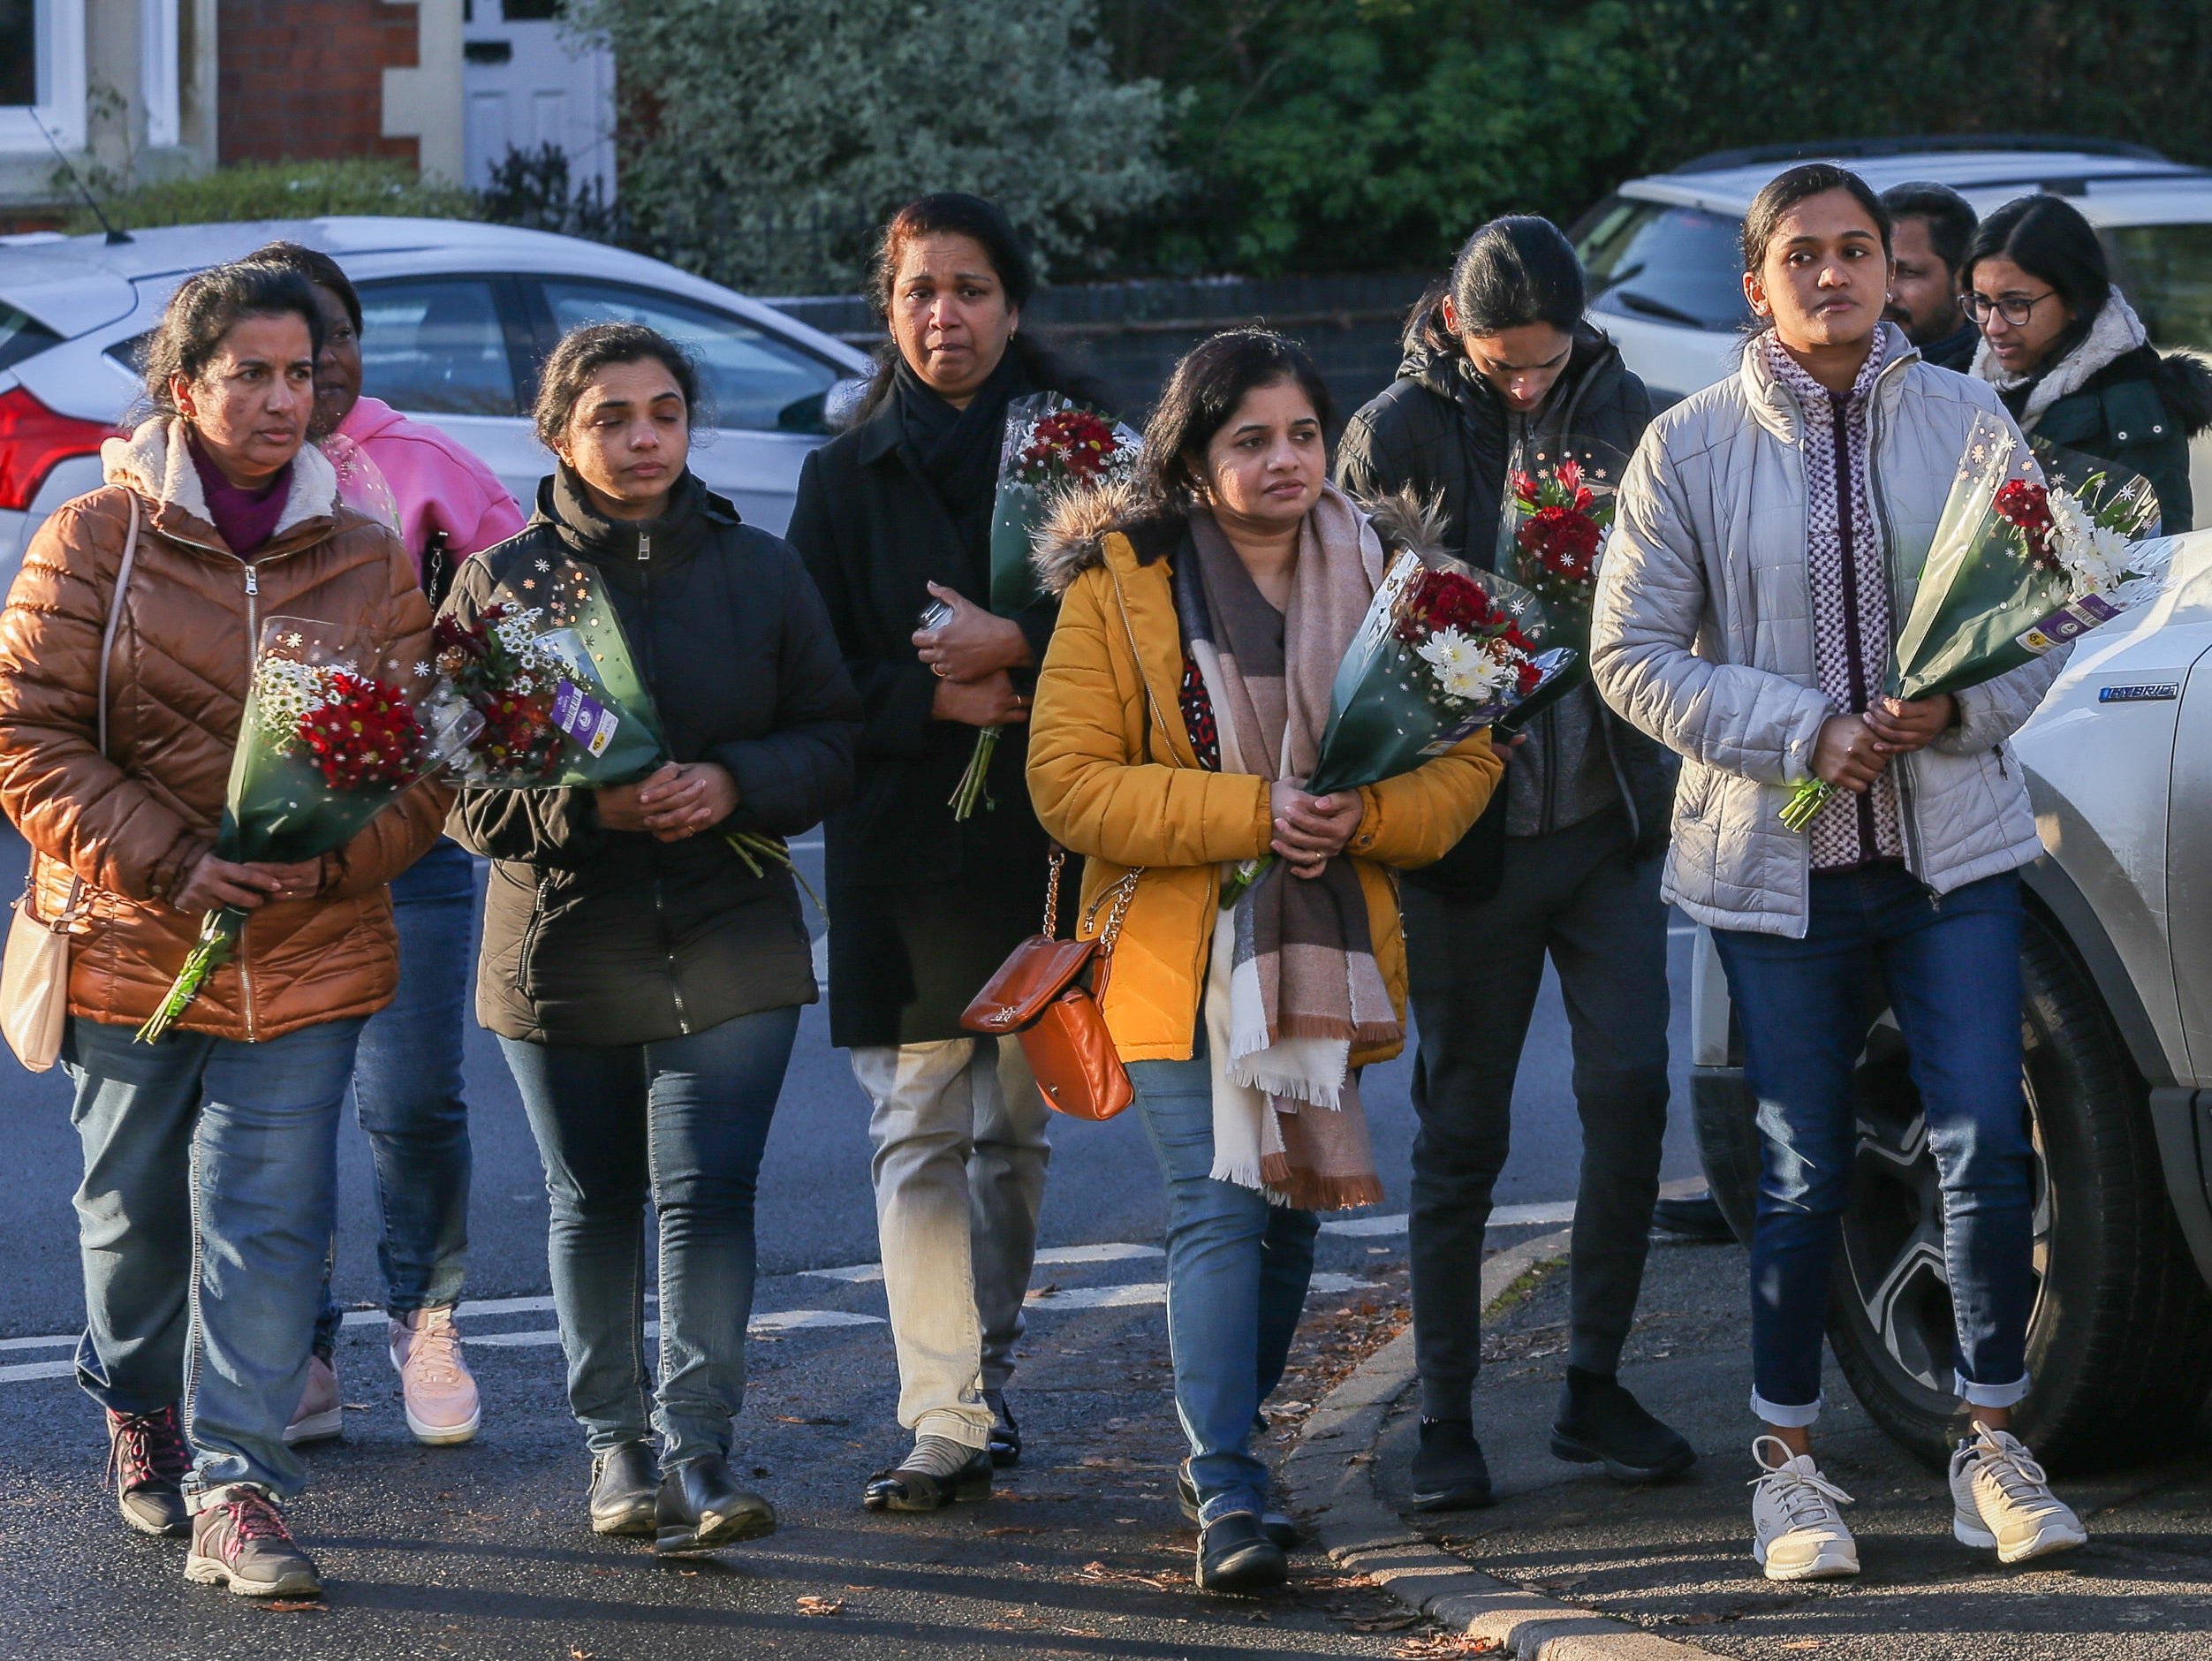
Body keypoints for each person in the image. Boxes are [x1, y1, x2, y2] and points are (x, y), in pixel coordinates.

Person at [1590, 163, 2087, 1582]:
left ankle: (1989, 1446)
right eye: (1801, 254)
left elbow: (2046, 613)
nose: (1832, 273)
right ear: (1756, 285)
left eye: (1856, 249)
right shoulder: (1686, 446)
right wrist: (1800, 728)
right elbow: (1629, 656)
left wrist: (1962, 703)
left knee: (1987, 1144)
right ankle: (1790, 1471)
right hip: (1778, 870)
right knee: (1803, 1171)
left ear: (1888, 269)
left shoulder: (1971, 417)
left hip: (1950, 858)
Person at [0, 262, 449, 1596]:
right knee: (132, 1221)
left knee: (268, 1219)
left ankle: (239, 1487)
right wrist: (175, 858)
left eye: (298, 373)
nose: (279, 398)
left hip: (306, 950)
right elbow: (25, 737)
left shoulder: (366, 554)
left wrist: (328, 861)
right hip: (129, 940)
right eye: (249, 372)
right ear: (184, 387)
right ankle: (138, 1398)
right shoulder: (95, 537)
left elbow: (424, 762)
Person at [1028, 329, 1501, 1593]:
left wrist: (1366, 816)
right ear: (1192, 459)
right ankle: (1230, 1481)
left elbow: (1466, 760)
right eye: (1250, 440)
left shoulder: (1392, 576)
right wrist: (1254, 812)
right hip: (1174, 953)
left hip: (1329, 943)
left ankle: (1225, 1446)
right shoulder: (1120, 582)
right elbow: (1066, 782)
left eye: (1302, 434)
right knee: (1220, 1202)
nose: (1285, 460)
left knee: (1290, 1219)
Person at [444, 322, 859, 1552]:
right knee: (595, 1199)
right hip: (564, 939)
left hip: (732, 935)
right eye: (611, 417)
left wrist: (734, 782)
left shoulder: (760, 569)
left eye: (665, 413)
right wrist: (593, 810)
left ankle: (699, 1453)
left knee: (708, 1195)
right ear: (556, 433)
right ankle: (615, 1448)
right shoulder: (503, 586)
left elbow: (833, 739)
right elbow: (456, 793)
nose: (642, 439)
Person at [1335, 216, 1688, 1509]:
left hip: (1607, 818)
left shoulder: (1632, 412)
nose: (1529, 384)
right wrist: (1451, 693)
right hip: (1465, 836)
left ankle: (1593, 1386)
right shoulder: (1394, 429)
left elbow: (1678, 584)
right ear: (1455, 326)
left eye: (1548, 360)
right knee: (1463, 1126)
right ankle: (1445, 1415)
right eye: (1505, 363)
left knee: (1631, 1090)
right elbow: (1349, 622)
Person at [786, 193, 1112, 1509]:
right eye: (919, 291)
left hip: (1044, 841)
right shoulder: (840, 477)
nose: (944, 315)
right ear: (888, 310)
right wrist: (934, 698)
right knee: (917, 1124)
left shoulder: (1086, 463)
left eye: (970, 290)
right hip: (900, 844)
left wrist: (1018, 648)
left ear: (1012, 309)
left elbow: (1150, 633)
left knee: (1014, 1133)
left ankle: (990, 1364)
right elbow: (806, 676)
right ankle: (944, 1409)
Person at [248, 239, 526, 1452]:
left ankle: (427, 1316)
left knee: (412, 1101)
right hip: (266, 855)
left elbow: (524, 635)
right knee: (283, 1114)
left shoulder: (430, 469)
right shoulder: (213, 481)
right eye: (286, 348)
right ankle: (299, 1348)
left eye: (337, 338)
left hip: (411, 846)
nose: (316, 366)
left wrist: (467, 721)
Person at [1966, 192, 2212, 529]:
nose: (1993, 326)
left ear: (2075, 299)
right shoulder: (1966, 388)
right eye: (1981, 302)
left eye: (2017, 304)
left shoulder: (2135, 411)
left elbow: (2156, 551)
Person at [1880, 182, 1981, 371]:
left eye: (1908, 273)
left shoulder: (1992, 381)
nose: (1886, 294)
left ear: (1964, 281)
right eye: (1877, 272)